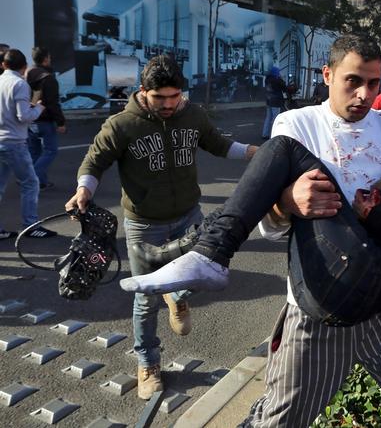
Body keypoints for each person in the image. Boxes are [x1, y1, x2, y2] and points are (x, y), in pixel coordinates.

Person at [125, 35, 381, 426]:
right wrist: (286, 203)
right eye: (353, 81)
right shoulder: (297, 124)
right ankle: (210, 253)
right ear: (327, 75)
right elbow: (272, 229)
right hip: (318, 305)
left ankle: (206, 251)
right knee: (281, 419)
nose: (364, 94)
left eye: (373, 83)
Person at [64, 55, 257, 400]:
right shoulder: (122, 125)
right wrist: (83, 190)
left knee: (200, 275)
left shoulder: (193, 115)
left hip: (189, 216)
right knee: (145, 298)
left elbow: (219, 144)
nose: (168, 105)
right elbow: (94, 161)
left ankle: (177, 296)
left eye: (174, 96)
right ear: (143, 91)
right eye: (159, 98)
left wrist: (256, 153)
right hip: (143, 225)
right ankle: (148, 363)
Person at [0, 49, 57, 240]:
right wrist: (39, 107)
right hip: (14, 142)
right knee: (31, 183)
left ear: (4, 65)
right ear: (24, 67)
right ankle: (30, 226)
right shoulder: (19, 84)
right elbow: (23, 116)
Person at [26, 47, 66, 190]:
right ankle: (31, 177)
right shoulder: (48, 78)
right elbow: (52, 103)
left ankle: (40, 182)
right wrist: (60, 122)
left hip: (29, 119)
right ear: (45, 59)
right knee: (50, 150)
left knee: (34, 151)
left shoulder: (26, 74)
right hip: (44, 120)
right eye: (49, 57)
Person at [262, 66, 285, 139]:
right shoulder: (277, 80)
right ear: (276, 72)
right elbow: (284, 87)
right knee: (275, 119)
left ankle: (265, 134)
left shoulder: (267, 79)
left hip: (269, 100)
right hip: (276, 101)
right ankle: (273, 135)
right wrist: (281, 78)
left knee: (268, 118)